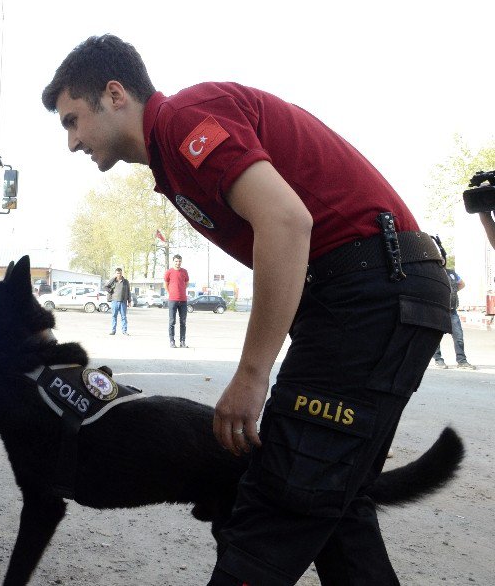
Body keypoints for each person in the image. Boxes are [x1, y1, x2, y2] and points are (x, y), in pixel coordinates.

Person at [42, 34, 450, 585]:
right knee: (332, 507)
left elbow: (286, 222)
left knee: (276, 505)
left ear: (115, 95)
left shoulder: (184, 120)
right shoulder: (172, 153)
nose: (71, 142)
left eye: (72, 120)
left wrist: (252, 375)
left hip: (370, 289)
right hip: (373, 290)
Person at [433, 268, 474, 370]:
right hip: (438, 310)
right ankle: (438, 360)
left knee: (458, 337)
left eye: (443, 257)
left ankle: (462, 361)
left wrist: (452, 292)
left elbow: (461, 284)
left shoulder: (451, 273)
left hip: (452, 311)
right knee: (435, 337)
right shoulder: (433, 272)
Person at [164, 255, 189, 347]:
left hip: (183, 301)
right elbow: (166, 285)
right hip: (172, 301)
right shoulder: (169, 272)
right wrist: (171, 293)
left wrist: (181, 291)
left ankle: (182, 342)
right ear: (173, 261)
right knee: (172, 321)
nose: (178, 263)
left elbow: (186, 283)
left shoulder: (184, 272)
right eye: (176, 261)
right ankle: (172, 341)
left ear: (181, 262)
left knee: (183, 322)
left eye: (179, 261)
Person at [105, 267, 131, 335]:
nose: (119, 274)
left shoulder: (125, 281)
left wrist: (129, 301)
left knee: (124, 317)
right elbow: (105, 287)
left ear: (122, 273)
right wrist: (111, 291)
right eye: (117, 273)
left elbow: (128, 291)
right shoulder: (113, 280)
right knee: (114, 316)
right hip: (114, 301)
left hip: (123, 302)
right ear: (115, 274)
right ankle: (113, 331)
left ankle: (124, 331)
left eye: (120, 273)